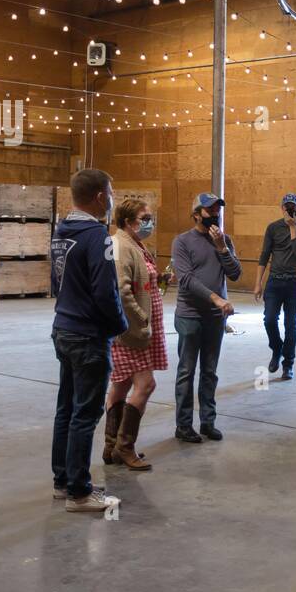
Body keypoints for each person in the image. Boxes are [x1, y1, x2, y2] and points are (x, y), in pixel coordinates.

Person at [49, 168, 128, 513]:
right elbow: (105, 290)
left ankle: (63, 480)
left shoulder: (62, 231)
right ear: (100, 197)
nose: (112, 199)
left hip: (63, 328)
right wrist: (119, 325)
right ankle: (79, 493)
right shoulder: (98, 237)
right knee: (86, 413)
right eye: (110, 192)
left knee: (66, 408)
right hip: (87, 335)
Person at [102, 198, 169, 472]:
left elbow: (139, 280)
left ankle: (111, 447)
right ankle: (125, 447)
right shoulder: (120, 246)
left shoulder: (134, 244)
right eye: (145, 218)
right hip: (131, 330)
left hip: (138, 328)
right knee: (146, 384)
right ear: (129, 221)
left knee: (120, 385)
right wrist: (140, 319)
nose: (149, 222)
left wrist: (159, 281)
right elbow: (121, 290)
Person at [172, 191, 240, 444]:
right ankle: (183, 425)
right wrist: (216, 298)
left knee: (210, 371)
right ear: (196, 214)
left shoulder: (224, 240)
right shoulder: (182, 242)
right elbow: (186, 279)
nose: (215, 214)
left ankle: (208, 422)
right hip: (190, 316)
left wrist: (223, 248)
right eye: (209, 210)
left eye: (217, 210)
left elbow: (235, 273)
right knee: (186, 372)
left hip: (215, 318)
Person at [253, 192, 296, 381]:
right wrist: (258, 283)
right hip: (275, 280)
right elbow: (264, 255)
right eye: (287, 207)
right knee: (269, 319)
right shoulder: (272, 228)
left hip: (295, 281)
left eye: (293, 207)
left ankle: (288, 364)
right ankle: (277, 348)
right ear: (282, 208)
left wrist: (293, 227)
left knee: (290, 324)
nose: (290, 210)